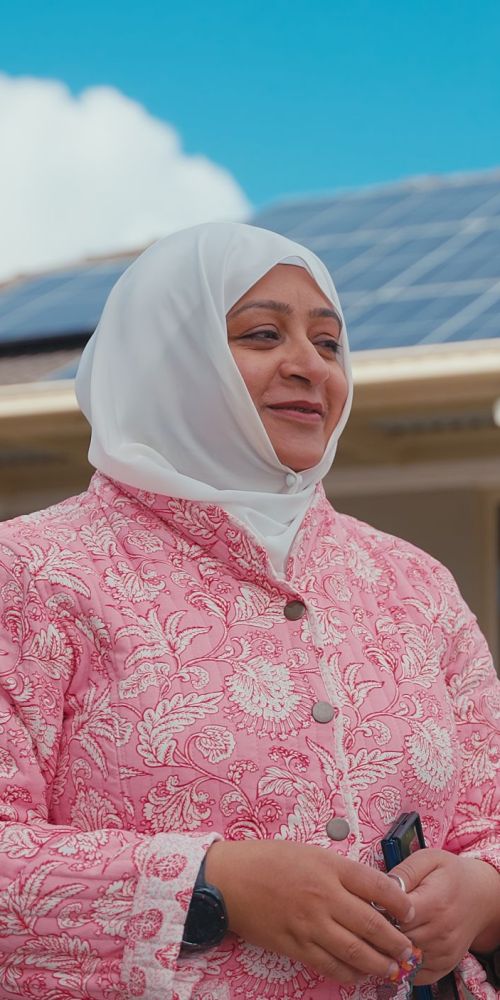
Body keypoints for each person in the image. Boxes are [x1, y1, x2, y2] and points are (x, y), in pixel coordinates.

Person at [0, 222, 498, 1000]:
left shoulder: (413, 583)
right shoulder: (33, 574)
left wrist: (482, 893)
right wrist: (211, 882)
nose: (310, 365)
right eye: (263, 334)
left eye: (329, 343)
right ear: (166, 356)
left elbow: (488, 816)